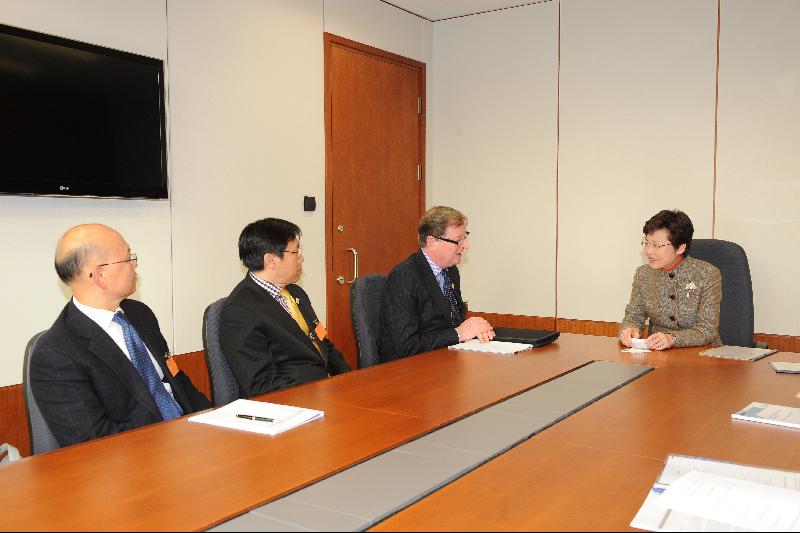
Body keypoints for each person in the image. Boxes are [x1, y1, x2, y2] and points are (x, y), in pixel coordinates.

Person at [31, 224, 211, 448]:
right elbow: (93, 442)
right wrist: (171, 442)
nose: (135, 264)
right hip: (141, 456)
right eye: (128, 258)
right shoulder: (56, 353)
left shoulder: (139, 314)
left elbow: (178, 382)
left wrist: (216, 421)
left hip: (191, 440)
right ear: (100, 275)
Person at [220, 218, 350, 396]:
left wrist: (349, 380)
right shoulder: (240, 311)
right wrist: (319, 391)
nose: (301, 258)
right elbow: (262, 385)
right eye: (296, 252)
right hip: (296, 400)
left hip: (329, 390)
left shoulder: (296, 293)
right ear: (271, 260)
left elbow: (323, 341)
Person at [378, 206, 494, 362]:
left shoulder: (451, 271)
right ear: (432, 242)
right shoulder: (404, 277)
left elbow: (452, 322)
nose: (466, 245)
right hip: (407, 369)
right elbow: (404, 346)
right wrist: (458, 333)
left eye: (465, 237)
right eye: (459, 240)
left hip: (444, 360)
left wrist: (475, 329)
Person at [619, 209, 722, 350]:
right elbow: (634, 316)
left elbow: (707, 331)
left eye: (656, 245)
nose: (648, 251)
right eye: (646, 243)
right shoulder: (643, 274)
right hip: (658, 353)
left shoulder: (707, 274)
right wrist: (630, 329)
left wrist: (672, 338)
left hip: (701, 354)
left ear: (680, 248)